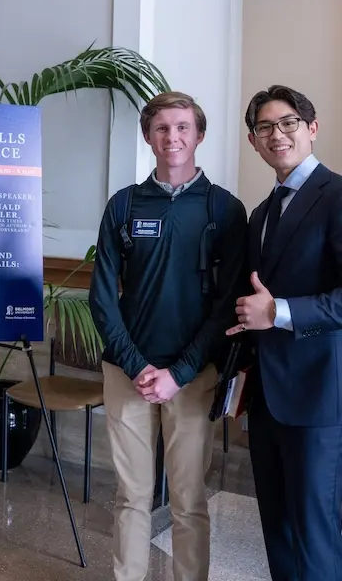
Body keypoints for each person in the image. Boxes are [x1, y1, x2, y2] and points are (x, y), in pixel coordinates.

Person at [89, 91, 247, 581]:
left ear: (199, 135)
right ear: (148, 138)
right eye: (162, 128)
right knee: (131, 497)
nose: (172, 137)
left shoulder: (224, 209)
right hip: (127, 376)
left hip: (193, 377)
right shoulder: (124, 205)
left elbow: (226, 307)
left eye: (182, 127)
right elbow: (101, 300)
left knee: (189, 501)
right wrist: (137, 366)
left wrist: (178, 373)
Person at [227, 85, 342, 579]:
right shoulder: (261, 213)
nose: (278, 134)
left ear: (311, 129)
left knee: (317, 533)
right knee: (277, 528)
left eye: (288, 122)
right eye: (265, 127)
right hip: (268, 398)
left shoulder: (336, 196)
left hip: (318, 398)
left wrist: (280, 312)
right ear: (253, 141)